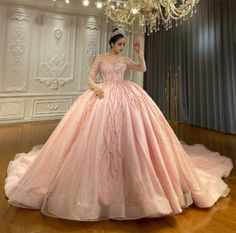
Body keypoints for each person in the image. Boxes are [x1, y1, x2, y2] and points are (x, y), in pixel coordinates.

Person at [4, 28, 233, 221]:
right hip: (103, 95)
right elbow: (90, 78)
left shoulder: (125, 60)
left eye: (124, 45)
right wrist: (95, 87)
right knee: (95, 136)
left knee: (132, 136)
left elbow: (141, 69)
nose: (122, 47)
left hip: (126, 95)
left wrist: (139, 53)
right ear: (112, 43)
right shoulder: (100, 58)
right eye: (120, 44)